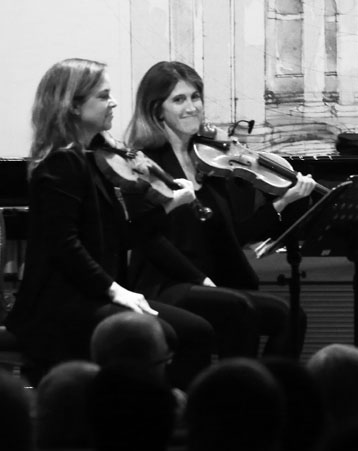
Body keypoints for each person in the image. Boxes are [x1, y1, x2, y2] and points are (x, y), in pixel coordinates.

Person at [5, 59, 214, 387]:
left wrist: (170, 206)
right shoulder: (60, 164)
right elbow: (64, 245)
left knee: (197, 330)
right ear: (72, 106)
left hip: (92, 293)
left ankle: (172, 417)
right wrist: (115, 290)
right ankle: (141, 415)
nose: (113, 102)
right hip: (62, 304)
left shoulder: (92, 159)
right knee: (162, 335)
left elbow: (121, 235)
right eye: (103, 96)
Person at [125, 60, 315, 358]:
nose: (192, 107)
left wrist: (283, 202)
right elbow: (150, 240)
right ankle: (232, 394)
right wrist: (200, 280)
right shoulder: (144, 163)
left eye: (195, 97)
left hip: (214, 281)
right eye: (179, 99)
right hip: (167, 283)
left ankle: (266, 395)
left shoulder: (211, 160)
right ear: (156, 109)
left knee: (292, 316)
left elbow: (235, 234)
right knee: (239, 310)